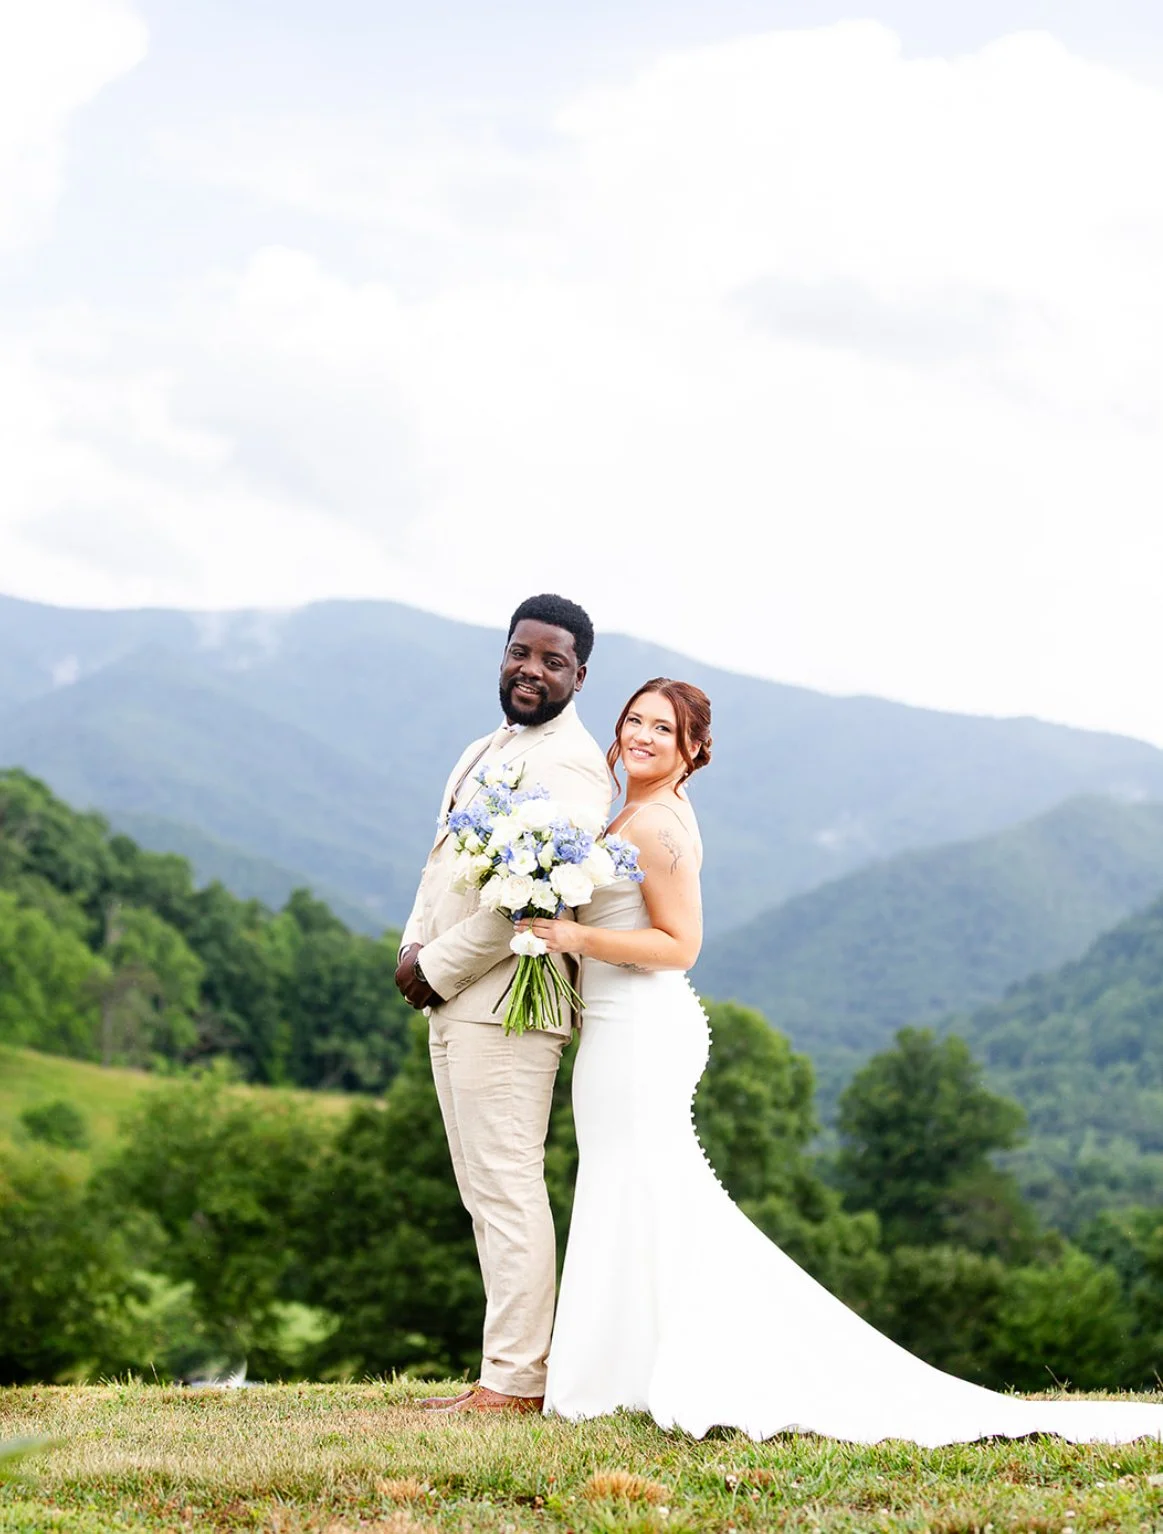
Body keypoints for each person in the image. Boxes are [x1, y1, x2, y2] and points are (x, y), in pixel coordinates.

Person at [521, 677, 1163, 1447]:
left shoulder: (656, 826)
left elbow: (679, 945)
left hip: (640, 1030)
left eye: (663, 727)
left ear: (693, 749)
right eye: (634, 721)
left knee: (638, 1179)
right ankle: (619, 1364)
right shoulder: (626, 810)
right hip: (616, 1026)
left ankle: (633, 1368)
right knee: (625, 1181)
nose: (642, 735)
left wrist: (574, 938)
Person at [395, 593, 611, 1415]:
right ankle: (500, 1370)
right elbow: (445, 861)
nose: (531, 669)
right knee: (481, 1191)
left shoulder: (572, 763)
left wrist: (440, 965)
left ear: (578, 675)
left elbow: (545, 895)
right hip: (454, 996)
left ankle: (517, 1383)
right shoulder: (490, 746)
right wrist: (411, 949)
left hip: (510, 1003)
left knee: (507, 1186)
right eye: (521, 652)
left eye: (552, 661)